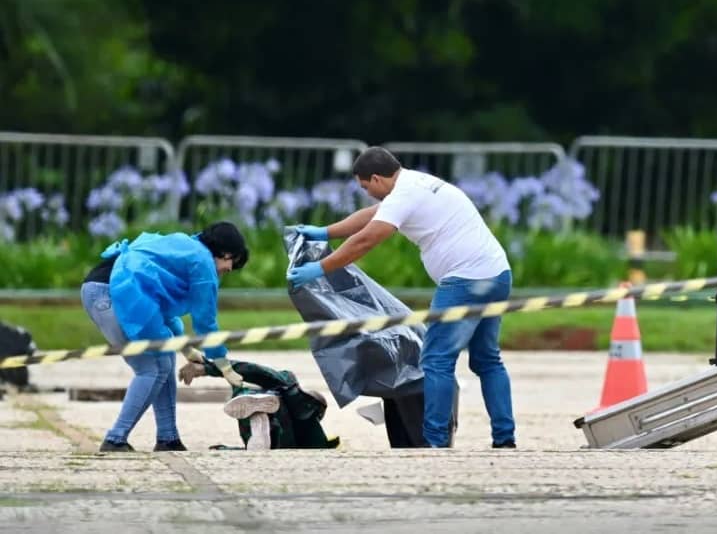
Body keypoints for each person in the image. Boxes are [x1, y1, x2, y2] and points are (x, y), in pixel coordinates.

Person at [286, 146, 515, 449]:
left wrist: (320, 268)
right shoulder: (416, 183)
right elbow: (370, 217)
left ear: (377, 178)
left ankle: (433, 443)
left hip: (466, 281)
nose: (369, 194)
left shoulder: (404, 195)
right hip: (497, 274)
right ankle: (504, 438)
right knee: (487, 360)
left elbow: (367, 238)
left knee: (435, 360)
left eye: (367, 187)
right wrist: (325, 233)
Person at [79, 221, 249, 452]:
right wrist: (223, 364)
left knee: (164, 360)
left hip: (104, 288)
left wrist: (186, 348)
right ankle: (115, 439)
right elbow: (205, 322)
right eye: (232, 261)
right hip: (110, 293)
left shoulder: (186, 246)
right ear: (226, 252)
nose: (229, 269)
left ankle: (168, 438)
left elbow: (158, 304)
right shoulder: (203, 264)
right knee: (150, 368)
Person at [178, 356, 339, 450]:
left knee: (246, 387)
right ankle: (261, 408)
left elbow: (250, 369)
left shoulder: (288, 380)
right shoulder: (309, 430)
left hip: (268, 414)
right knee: (254, 394)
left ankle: (259, 408)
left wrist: (207, 367)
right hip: (279, 436)